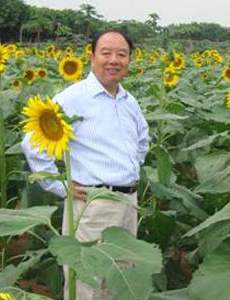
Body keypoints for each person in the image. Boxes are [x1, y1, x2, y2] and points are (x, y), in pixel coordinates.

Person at [21, 30, 149, 299]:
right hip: (92, 204)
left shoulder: (128, 101)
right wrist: (59, 185)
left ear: (129, 60)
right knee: (87, 284)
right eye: (106, 52)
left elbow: (142, 141)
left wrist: (127, 172)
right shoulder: (73, 97)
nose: (114, 60)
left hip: (128, 201)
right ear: (91, 57)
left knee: (120, 278)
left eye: (122, 54)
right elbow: (32, 143)